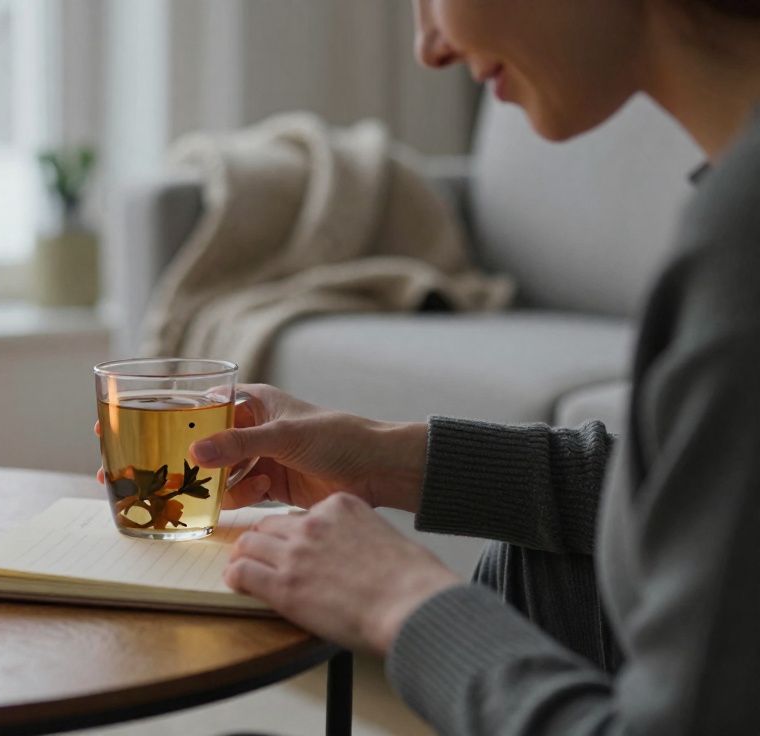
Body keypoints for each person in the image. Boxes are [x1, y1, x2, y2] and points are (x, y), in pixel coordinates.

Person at [139, 1, 760, 733]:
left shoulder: (739, 249)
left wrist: (401, 603)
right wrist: (389, 455)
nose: (429, 47)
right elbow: (697, 509)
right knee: (540, 567)